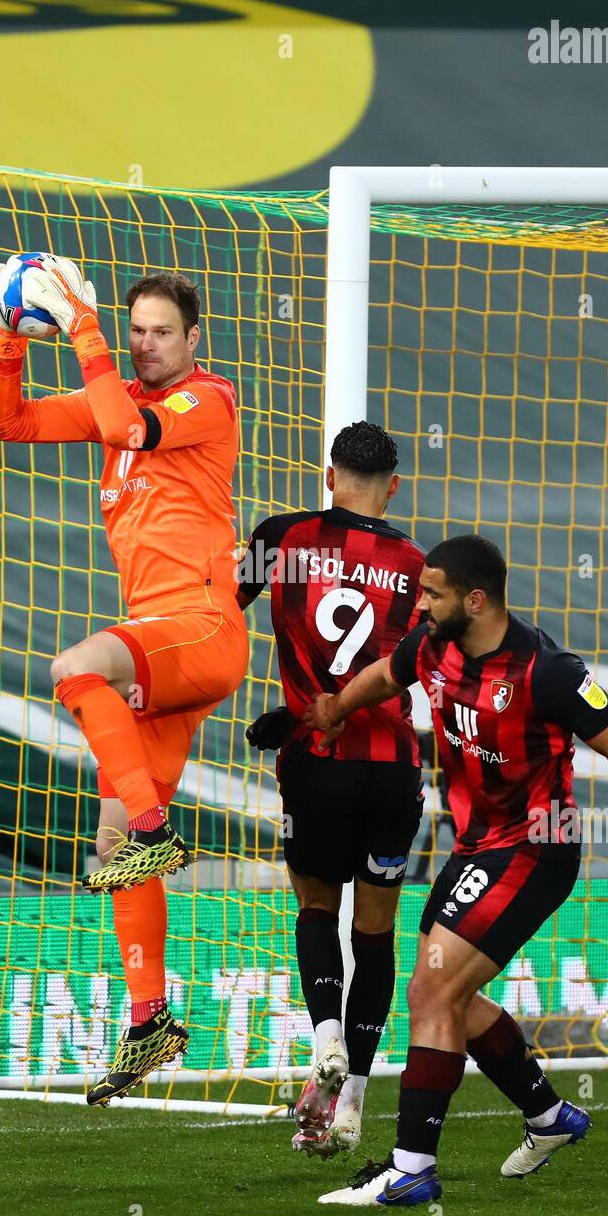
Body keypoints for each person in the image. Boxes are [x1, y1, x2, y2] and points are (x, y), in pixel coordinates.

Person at [306, 533, 608, 1206]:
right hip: (473, 848)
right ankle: (548, 1116)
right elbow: (384, 675)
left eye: (433, 592)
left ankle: (411, 1167)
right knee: (452, 997)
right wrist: (334, 709)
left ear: (475, 599)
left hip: (535, 850)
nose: (420, 603)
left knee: (430, 996)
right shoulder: (432, 646)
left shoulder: (546, 671)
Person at [0, 260, 248, 1102]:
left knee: (73, 667)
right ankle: (149, 1021)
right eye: (135, 329)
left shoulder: (206, 400)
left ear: (192, 339)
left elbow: (133, 431)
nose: (147, 342)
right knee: (112, 852)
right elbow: (7, 424)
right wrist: (13, 338)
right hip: (160, 647)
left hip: (198, 626)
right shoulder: (114, 407)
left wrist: (84, 328)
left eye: (161, 330)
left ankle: (154, 823)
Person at [239, 421, 426, 1156]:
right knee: (373, 934)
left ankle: (325, 1039)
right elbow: (421, 666)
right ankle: (349, 1106)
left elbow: (221, 608)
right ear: (395, 486)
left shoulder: (281, 536)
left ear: (327, 477)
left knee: (316, 906)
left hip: (316, 762)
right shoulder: (416, 565)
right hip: (391, 768)